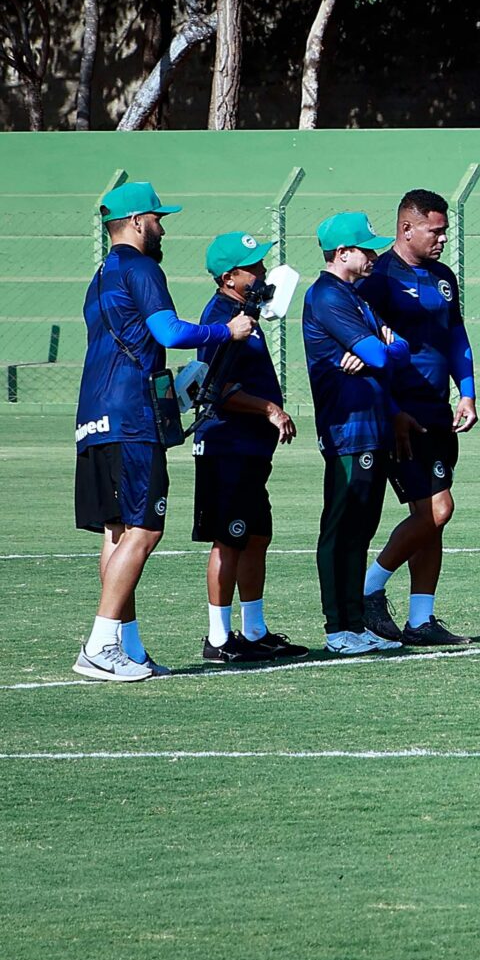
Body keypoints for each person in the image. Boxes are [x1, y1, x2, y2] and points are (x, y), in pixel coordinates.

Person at [75, 183, 255, 680]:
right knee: (147, 528)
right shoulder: (141, 267)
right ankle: (99, 644)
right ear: (136, 222)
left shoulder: (101, 275)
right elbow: (171, 333)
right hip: (132, 415)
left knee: (118, 530)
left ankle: (127, 646)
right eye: (157, 218)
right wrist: (227, 331)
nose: (162, 227)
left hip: (94, 413)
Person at [357, 189, 475, 647]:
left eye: (445, 230)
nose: (443, 238)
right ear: (407, 228)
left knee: (431, 516)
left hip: (439, 412)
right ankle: (366, 589)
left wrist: (467, 392)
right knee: (438, 508)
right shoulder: (380, 277)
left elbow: (456, 336)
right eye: (435, 230)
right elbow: (363, 349)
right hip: (403, 417)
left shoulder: (444, 277)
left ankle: (420, 620)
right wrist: (393, 410)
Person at [303, 213, 414, 657]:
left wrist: (382, 349)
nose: (373, 255)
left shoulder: (355, 297)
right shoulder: (328, 296)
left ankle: (353, 623)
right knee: (342, 526)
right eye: (366, 248)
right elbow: (383, 354)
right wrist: (380, 349)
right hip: (348, 427)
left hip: (372, 426)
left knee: (361, 527)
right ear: (342, 253)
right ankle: (338, 627)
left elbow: (398, 350)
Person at [192, 232, 303, 664]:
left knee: (256, 536)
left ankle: (254, 630)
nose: (260, 273)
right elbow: (217, 390)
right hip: (227, 446)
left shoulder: (244, 314)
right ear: (228, 277)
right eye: (252, 267)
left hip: (250, 450)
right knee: (229, 538)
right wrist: (271, 409)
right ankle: (219, 638)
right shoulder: (220, 318)